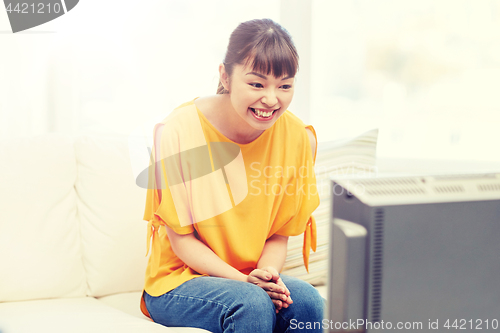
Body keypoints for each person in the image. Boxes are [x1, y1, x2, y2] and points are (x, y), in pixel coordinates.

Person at [141, 18, 324, 332]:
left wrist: (266, 275)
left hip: (249, 277)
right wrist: (247, 284)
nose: (271, 99)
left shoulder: (297, 137)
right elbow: (181, 240)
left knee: (307, 301)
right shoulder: (179, 131)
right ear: (225, 76)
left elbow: (278, 234)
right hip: (179, 280)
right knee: (250, 304)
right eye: (256, 84)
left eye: (284, 85)